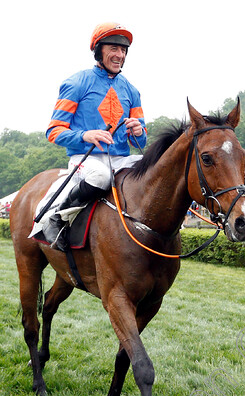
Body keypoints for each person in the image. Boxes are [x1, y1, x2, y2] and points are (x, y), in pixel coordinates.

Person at [42, 22, 147, 250]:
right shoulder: (76, 83)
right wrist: (85, 135)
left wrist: (138, 131)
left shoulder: (132, 90)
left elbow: (143, 140)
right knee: (101, 176)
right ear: (99, 50)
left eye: (124, 50)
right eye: (114, 49)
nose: (120, 55)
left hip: (121, 159)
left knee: (155, 168)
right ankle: (58, 218)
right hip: (86, 159)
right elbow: (54, 131)